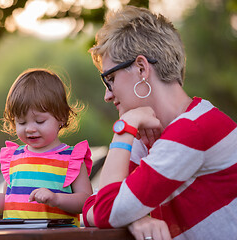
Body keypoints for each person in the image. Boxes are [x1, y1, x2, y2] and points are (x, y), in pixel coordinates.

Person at [82, 5, 237, 240]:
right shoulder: (148, 136)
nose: (108, 94)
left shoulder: (193, 129)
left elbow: (105, 210)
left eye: (110, 79)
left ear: (142, 68)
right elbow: (93, 206)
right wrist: (135, 217)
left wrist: (123, 128)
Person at [0, 68, 93, 227]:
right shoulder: (14, 158)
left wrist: (56, 198)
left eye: (39, 121)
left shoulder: (71, 158)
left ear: (62, 117)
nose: (30, 128)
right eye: (22, 122)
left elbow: (86, 201)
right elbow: (8, 200)